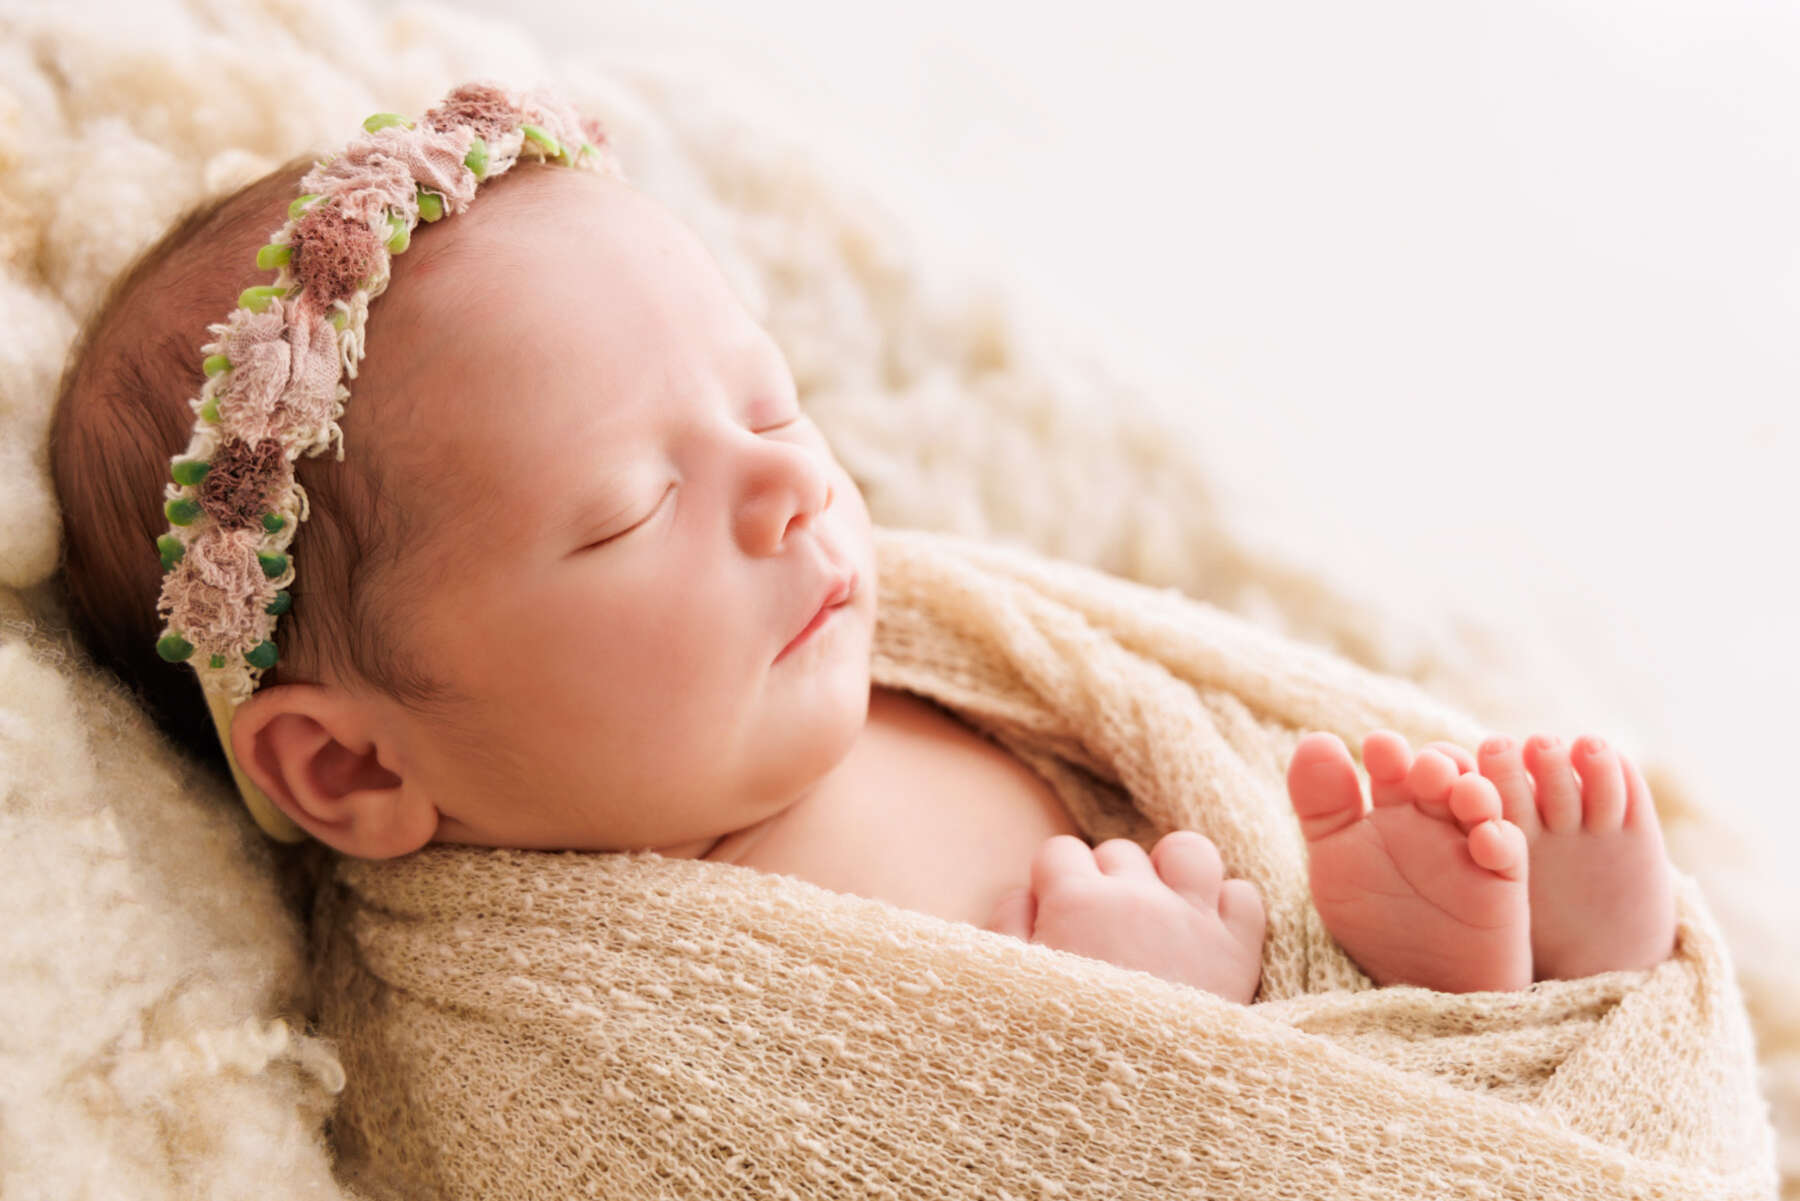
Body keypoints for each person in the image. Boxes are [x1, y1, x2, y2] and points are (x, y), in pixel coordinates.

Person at [48, 82, 1676, 1009]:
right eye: (632, 506)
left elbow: (1156, 719)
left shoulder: (898, 652)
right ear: (347, 769)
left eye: (775, 404)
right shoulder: (585, 1012)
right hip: (1204, 1083)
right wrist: (1128, 1043)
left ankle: (1522, 999)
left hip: (1291, 998)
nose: (794, 492)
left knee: (1367, 846)